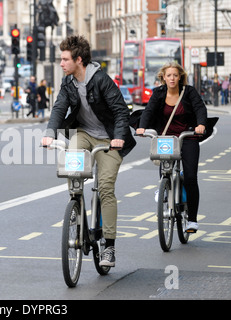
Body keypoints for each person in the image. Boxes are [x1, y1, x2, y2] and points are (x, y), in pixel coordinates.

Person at [41, 35, 136, 267]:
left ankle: (109, 247)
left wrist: (119, 139)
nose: (61, 63)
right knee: (71, 164)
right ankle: (76, 203)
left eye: (65, 59)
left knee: (105, 188)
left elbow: (121, 112)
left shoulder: (101, 80)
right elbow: (59, 107)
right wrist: (49, 133)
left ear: (79, 59)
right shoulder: (68, 82)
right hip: (83, 134)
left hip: (108, 138)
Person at [136, 61, 216, 233]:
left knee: (191, 177)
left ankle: (192, 220)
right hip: (166, 136)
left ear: (180, 77)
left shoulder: (189, 92)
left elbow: (200, 109)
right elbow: (149, 110)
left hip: (188, 136)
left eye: (175, 75)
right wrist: (142, 127)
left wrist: (201, 124)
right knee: (164, 163)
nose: (172, 78)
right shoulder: (158, 93)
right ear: (163, 77)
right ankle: (163, 186)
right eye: (168, 75)